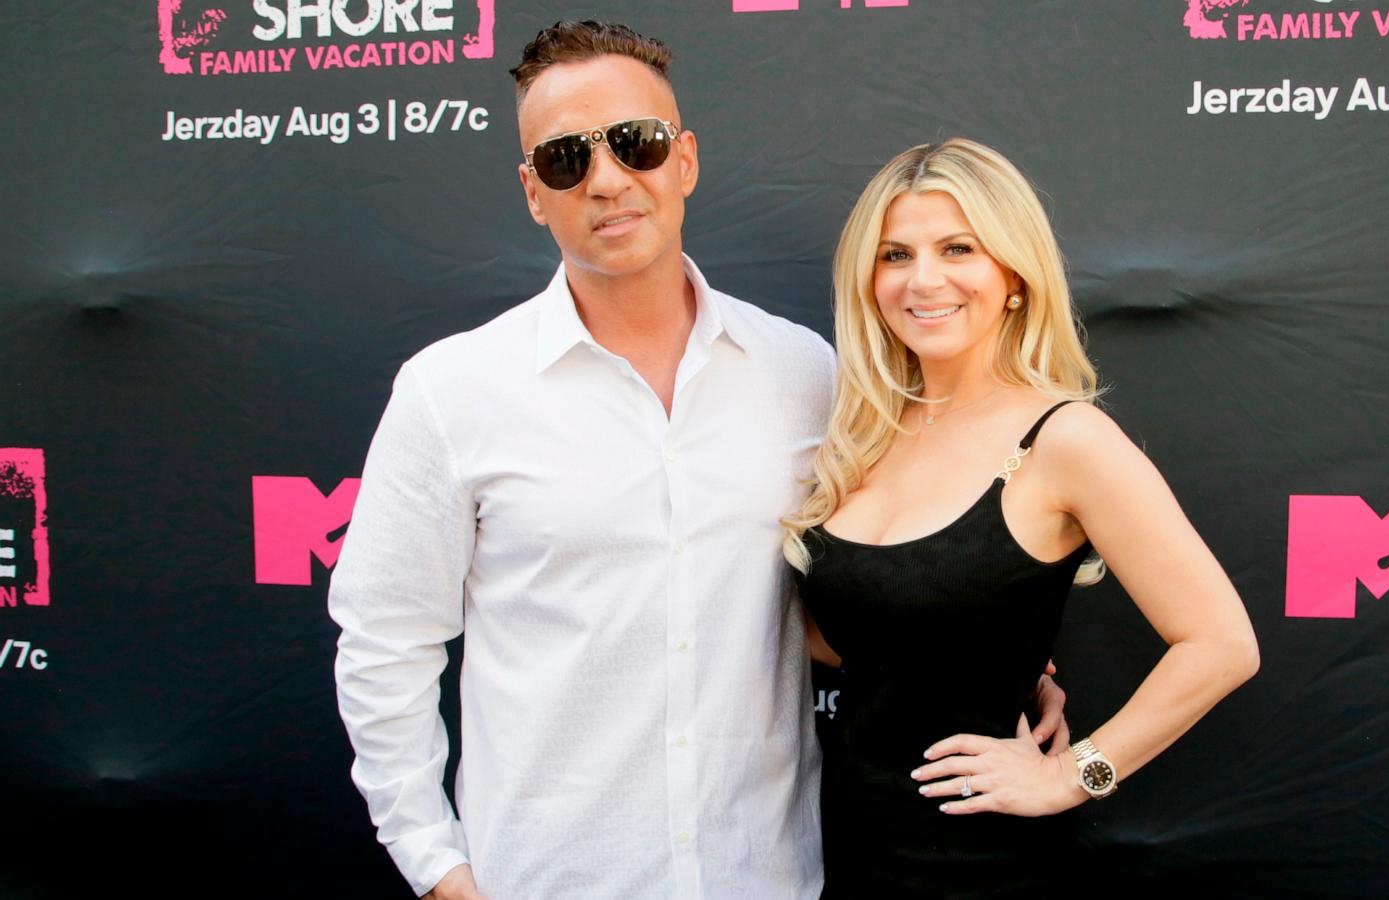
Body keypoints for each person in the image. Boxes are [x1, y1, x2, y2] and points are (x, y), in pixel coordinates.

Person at [328, 23, 1070, 899]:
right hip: (544, 879)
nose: (607, 180)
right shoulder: (450, 393)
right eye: (567, 160)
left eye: (634, 144)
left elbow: (890, 567)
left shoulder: (805, 374)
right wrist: (435, 867)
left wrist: (984, 664)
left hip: (766, 875)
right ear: (534, 192)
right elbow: (386, 647)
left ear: (682, 161)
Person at [784, 138, 1260, 897]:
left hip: (984, 870)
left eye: (957, 248)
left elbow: (1222, 645)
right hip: (841, 849)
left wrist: (1075, 775)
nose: (924, 279)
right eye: (896, 254)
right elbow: (852, 629)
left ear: (1013, 274)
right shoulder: (860, 431)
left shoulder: (1066, 439)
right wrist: (989, 653)